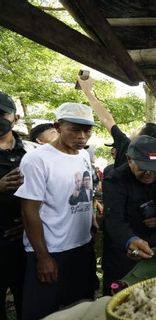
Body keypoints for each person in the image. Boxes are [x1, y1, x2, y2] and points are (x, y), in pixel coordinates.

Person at [15, 102, 98, 320]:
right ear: (58, 126)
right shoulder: (37, 159)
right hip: (51, 249)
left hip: (81, 246)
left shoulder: (83, 156)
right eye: (74, 129)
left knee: (81, 309)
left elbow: (84, 190)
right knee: (44, 313)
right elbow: (29, 211)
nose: (82, 136)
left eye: (87, 130)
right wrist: (43, 257)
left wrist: (92, 219)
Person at [102, 135, 156, 295]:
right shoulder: (114, 180)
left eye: (154, 168)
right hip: (124, 256)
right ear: (129, 159)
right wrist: (130, 241)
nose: (149, 173)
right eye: (142, 167)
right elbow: (114, 220)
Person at [78, 76, 156, 172]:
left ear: (142, 139)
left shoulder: (127, 146)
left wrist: (87, 90)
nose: (133, 130)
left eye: (138, 129)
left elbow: (106, 119)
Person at [0, 91, 33, 320]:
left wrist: (31, 220)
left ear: (16, 117)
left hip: (25, 243)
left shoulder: (32, 152)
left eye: (3, 113)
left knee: (28, 303)